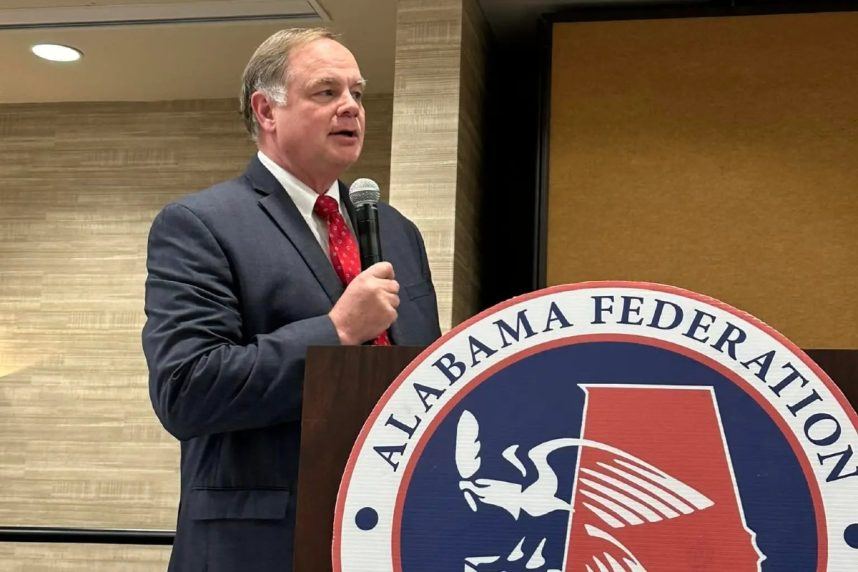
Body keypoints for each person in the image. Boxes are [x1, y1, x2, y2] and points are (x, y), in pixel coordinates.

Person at [142, 28, 441, 571]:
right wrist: (337, 332)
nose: (351, 106)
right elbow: (185, 390)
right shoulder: (201, 225)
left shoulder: (399, 232)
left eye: (357, 92)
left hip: (384, 536)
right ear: (266, 110)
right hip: (257, 547)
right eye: (326, 92)